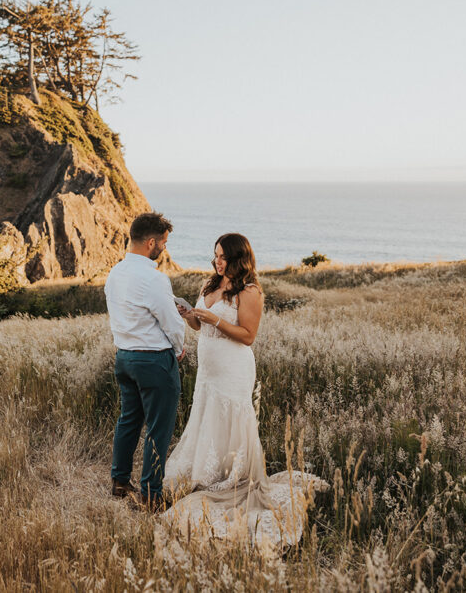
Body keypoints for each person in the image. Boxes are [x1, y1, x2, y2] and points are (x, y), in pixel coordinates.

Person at [159, 233, 326, 548]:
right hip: (209, 369)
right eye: (215, 256)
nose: (217, 262)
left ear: (239, 259)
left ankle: (230, 478)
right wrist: (191, 317)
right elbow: (200, 327)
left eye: (223, 257)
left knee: (232, 417)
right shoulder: (210, 285)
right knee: (208, 415)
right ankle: (208, 472)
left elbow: (248, 335)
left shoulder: (250, 292)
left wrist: (213, 319)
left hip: (234, 368)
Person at [104, 212, 186, 510]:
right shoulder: (154, 278)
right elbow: (172, 323)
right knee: (158, 428)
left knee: (128, 420)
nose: (164, 248)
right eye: (163, 242)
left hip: (124, 357)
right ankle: (151, 495)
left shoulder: (115, 273)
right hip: (153, 361)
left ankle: (120, 481)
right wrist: (178, 349)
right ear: (151, 242)